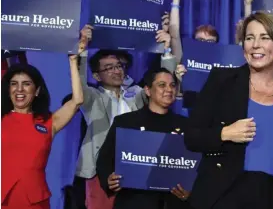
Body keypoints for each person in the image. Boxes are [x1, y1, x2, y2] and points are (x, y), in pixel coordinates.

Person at [184, 11, 273, 209]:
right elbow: (191, 137)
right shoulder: (221, 81)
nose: (255, 44)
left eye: (264, 38)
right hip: (224, 194)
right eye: (249, 38)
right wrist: (224, 133)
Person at [75, 25, 177, 209]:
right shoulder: (92, 97)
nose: (116, 71)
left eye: (119, 66)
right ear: (97, 76)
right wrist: (82, 49)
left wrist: (167, 50)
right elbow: (79, 84)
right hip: (101, 171)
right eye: (109, 68)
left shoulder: (137, 93)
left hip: (138, 165)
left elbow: (162, 85)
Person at [96, 68, 191, 209]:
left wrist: (191, 193)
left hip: (173, 202)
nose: (169, 89)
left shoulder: (187, 125)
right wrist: (109, 180)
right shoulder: (126, 122)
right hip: (134, 202)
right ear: (147, 90)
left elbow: (197, 165)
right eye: (162, 85)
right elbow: (105, 159)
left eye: (172, 85)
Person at [1, 52, 83, 209]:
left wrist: (73, 60)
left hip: (35, 201)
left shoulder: (47, 122)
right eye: (14, 84)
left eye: (26, 84)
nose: (19, 89)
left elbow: (77, 100)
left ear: (37, 91)